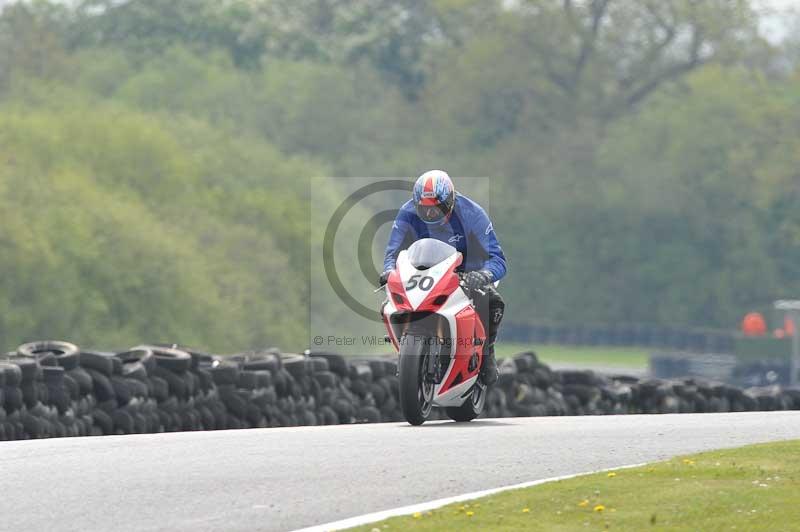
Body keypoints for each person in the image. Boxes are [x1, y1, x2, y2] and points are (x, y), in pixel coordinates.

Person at [380, 170, 506, 385]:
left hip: (468, 271)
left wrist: (484, 274)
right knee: (388, 305)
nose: (430, 215)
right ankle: (406, 351)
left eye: (436, 209)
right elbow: (393, 251)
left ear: (450, 200)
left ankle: (487, 352)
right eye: (424, 209)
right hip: (424, 271)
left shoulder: (472, 213)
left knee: (493, 302)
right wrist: (389, 271)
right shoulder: (407, 212)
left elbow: (497, 258)